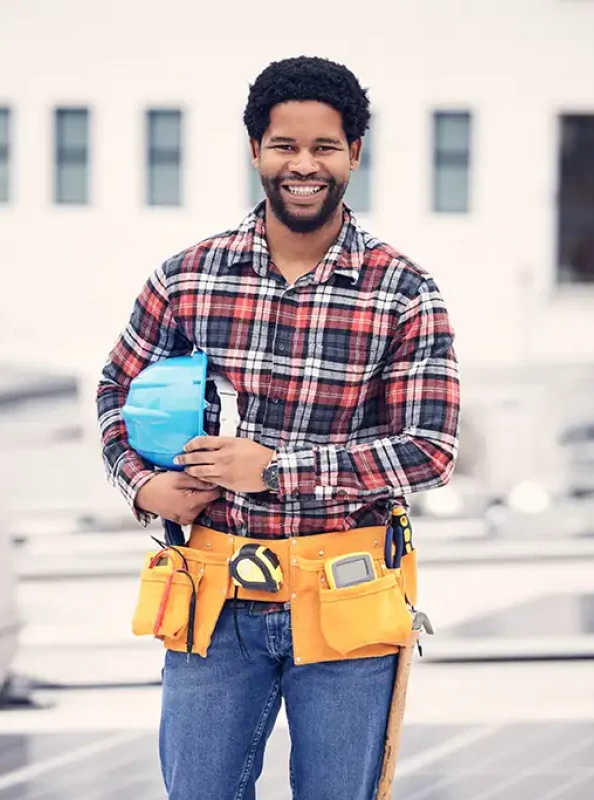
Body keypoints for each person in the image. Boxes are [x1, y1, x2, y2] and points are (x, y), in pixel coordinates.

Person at [97, 55, 460, 800]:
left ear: (355, 154)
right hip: (213, 598)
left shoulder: (403, 292)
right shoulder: (188, 277)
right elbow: (115, 392)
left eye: (325, 147)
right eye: (284, 146)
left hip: (345, 596)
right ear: (255, 150)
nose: (304, 165)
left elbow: (430, 450)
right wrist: (144, 488)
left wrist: (275, 469)